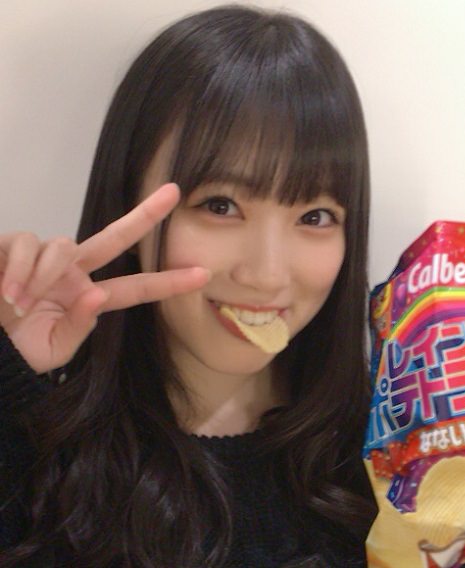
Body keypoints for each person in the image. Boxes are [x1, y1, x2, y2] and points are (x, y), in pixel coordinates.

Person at [0, 4, 376, 567]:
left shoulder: (393, 458)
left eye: (315, 216)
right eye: (220, 205)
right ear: (129, 204)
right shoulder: (39, 451)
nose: (267, 273)